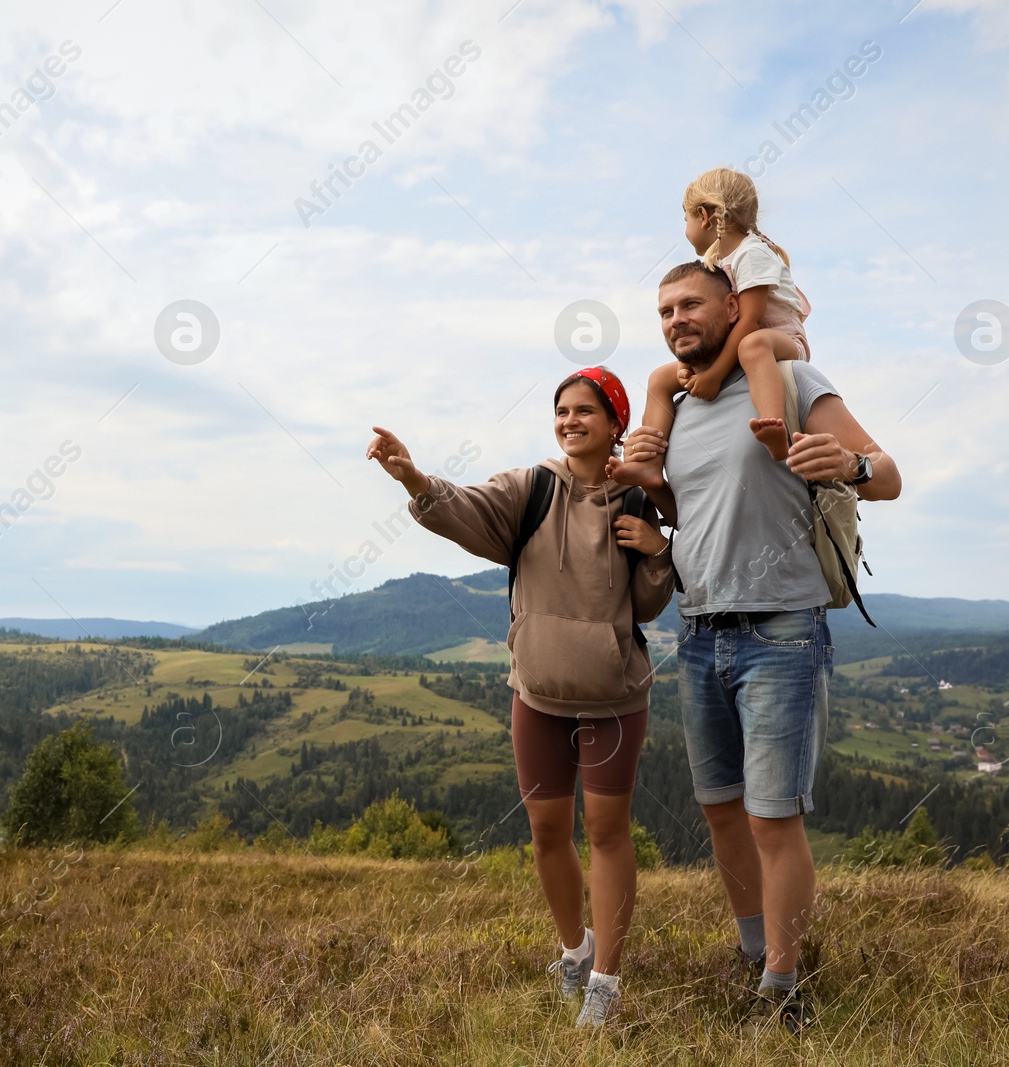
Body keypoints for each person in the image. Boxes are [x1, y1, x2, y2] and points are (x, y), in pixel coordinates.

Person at [609, 261, 901, 1035]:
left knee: (774, 818)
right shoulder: (680, 407)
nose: (676, 319)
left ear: (731, 306)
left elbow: (891, 473)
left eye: (691, 304)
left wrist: (851, 464)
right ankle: (753, 953)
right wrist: (654, 496)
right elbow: (695, 507)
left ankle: (782, 983)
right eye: (665, 309)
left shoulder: (795, 380)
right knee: (721, 812)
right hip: (699, 630)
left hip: (782, 629)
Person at [367, 367, 674, 1029]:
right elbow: (466, 508)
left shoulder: (637, 498)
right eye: (562, 410)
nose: (570, 420)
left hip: (614, 696)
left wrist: (657, 551)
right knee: (545, 832)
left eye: (585, 410)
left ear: (615, 423)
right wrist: (414, 480)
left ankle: (606, 981)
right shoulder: (530, 487)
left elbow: (648, 602)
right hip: (536, 693)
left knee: (609, 834)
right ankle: (573, 950)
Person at [615, 167, 812, 489]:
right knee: (660, 378)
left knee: (754, 346)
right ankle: (649, 466)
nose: (687, 228)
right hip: (747, 339)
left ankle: (775, 427)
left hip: (782, 337)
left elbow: (748, 320)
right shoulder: (718, 263)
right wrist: (686, 368)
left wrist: (714, 375)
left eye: (686, 219)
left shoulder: (752, 253)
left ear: (704, 216)